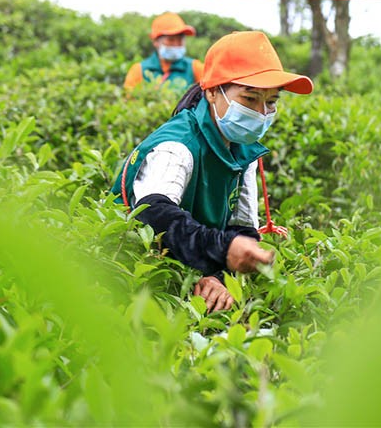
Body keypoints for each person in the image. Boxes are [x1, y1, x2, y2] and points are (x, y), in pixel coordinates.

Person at [112, 31, 313, 312]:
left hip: (189, 267)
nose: (261, 113)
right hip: (129, 271)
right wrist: (221, 250)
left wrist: (217, 275)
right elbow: (152, 213)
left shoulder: (245, 149)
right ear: (211, 92)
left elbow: (242, 229)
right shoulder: (177, 147)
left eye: (271, 102)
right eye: (250, 98)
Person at [123, 12, 204, 91]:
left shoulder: (195, 68)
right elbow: (129, 100)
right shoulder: (139, 70)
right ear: (156, 41)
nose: (176, 45)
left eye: (180, 40)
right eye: (170, 40)